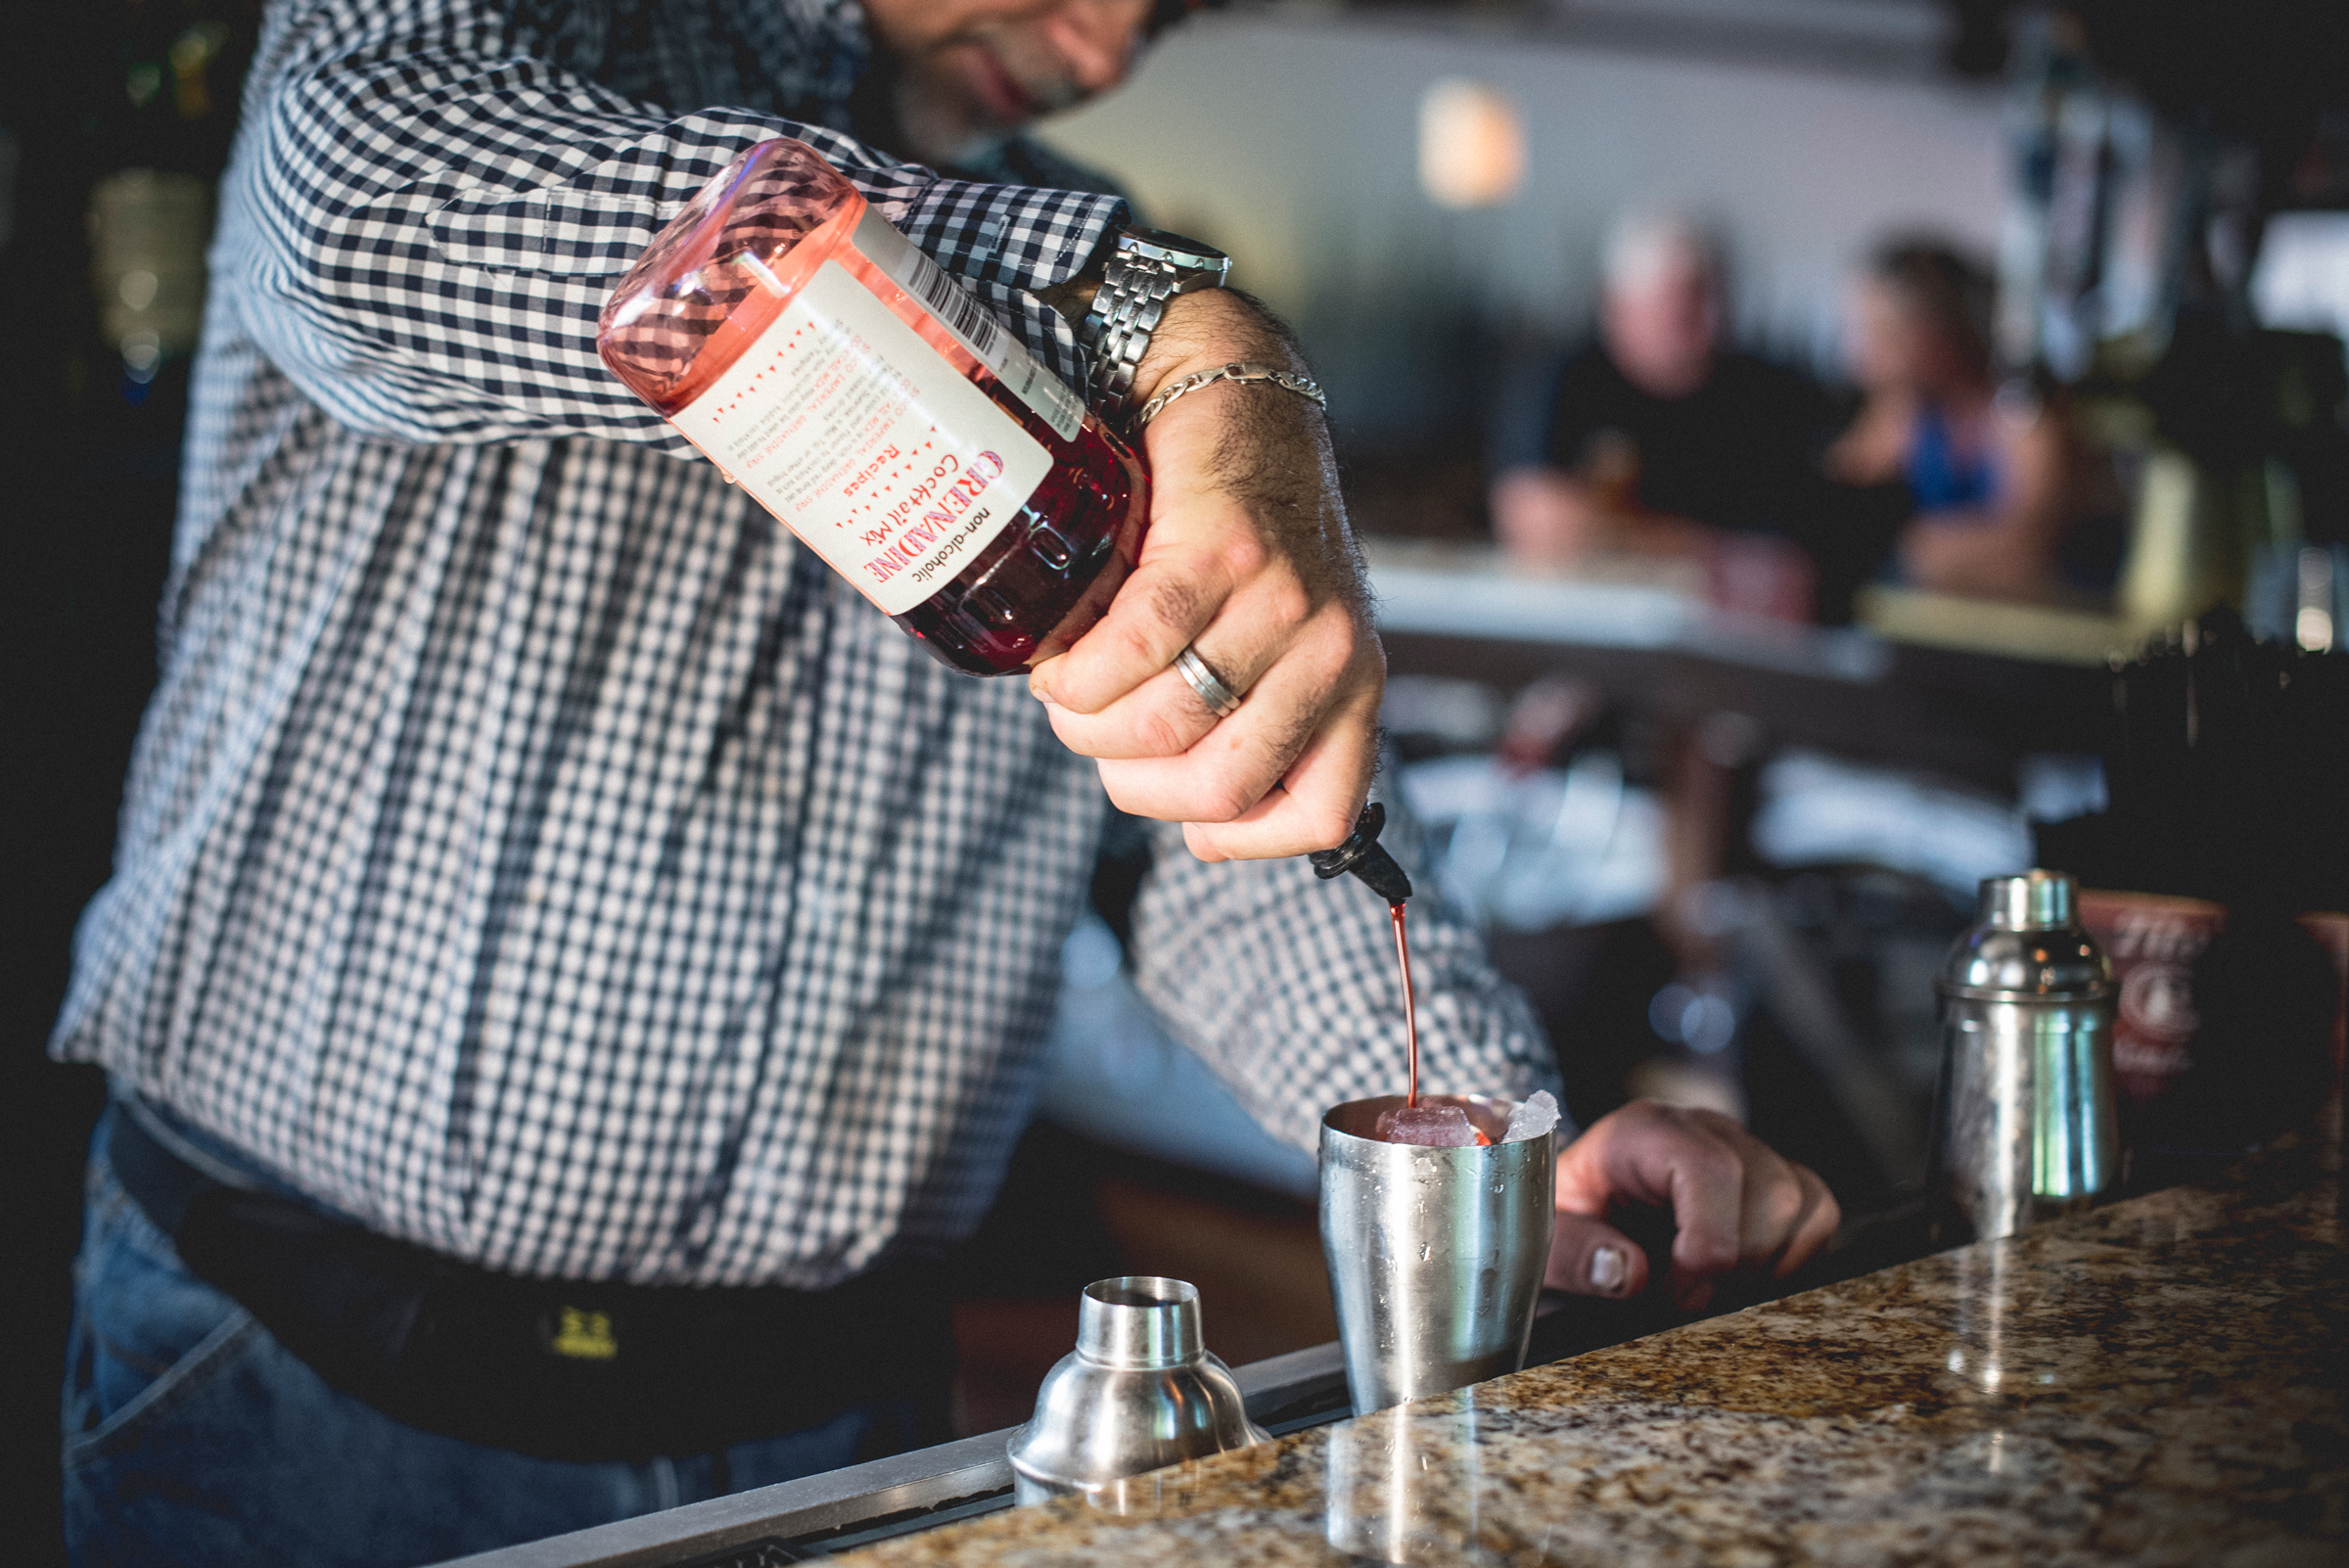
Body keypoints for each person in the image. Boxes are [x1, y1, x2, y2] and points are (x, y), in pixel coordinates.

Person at [52, 3, 1837, 1563]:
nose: (1108, 44)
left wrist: (1512, 1159)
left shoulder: (1117, 288)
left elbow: (1223, 839)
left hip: (824, 1427)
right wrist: (1176, 323)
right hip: (274, 1368)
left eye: (1175, 7)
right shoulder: (542, 39)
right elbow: (355, 221)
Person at [1488, 208, 1848, 623]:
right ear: (1620, 302)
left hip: (1731, 637)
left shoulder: (1772, 394)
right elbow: (1540, 525)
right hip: (1589, 625)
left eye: (1717, 297)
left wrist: (1617, 533)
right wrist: (1700, 550)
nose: (1709, 321)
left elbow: (1793, 562)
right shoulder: (1562, 378)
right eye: (1685, 300)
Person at [1824, 237, 2096, 602]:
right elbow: (1831, 499)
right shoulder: (1905, 408)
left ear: (1935, 338)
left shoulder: (2026, 412)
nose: (1859, 359)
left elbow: (2029, 553)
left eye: (1880, 336)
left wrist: (1916, 547)